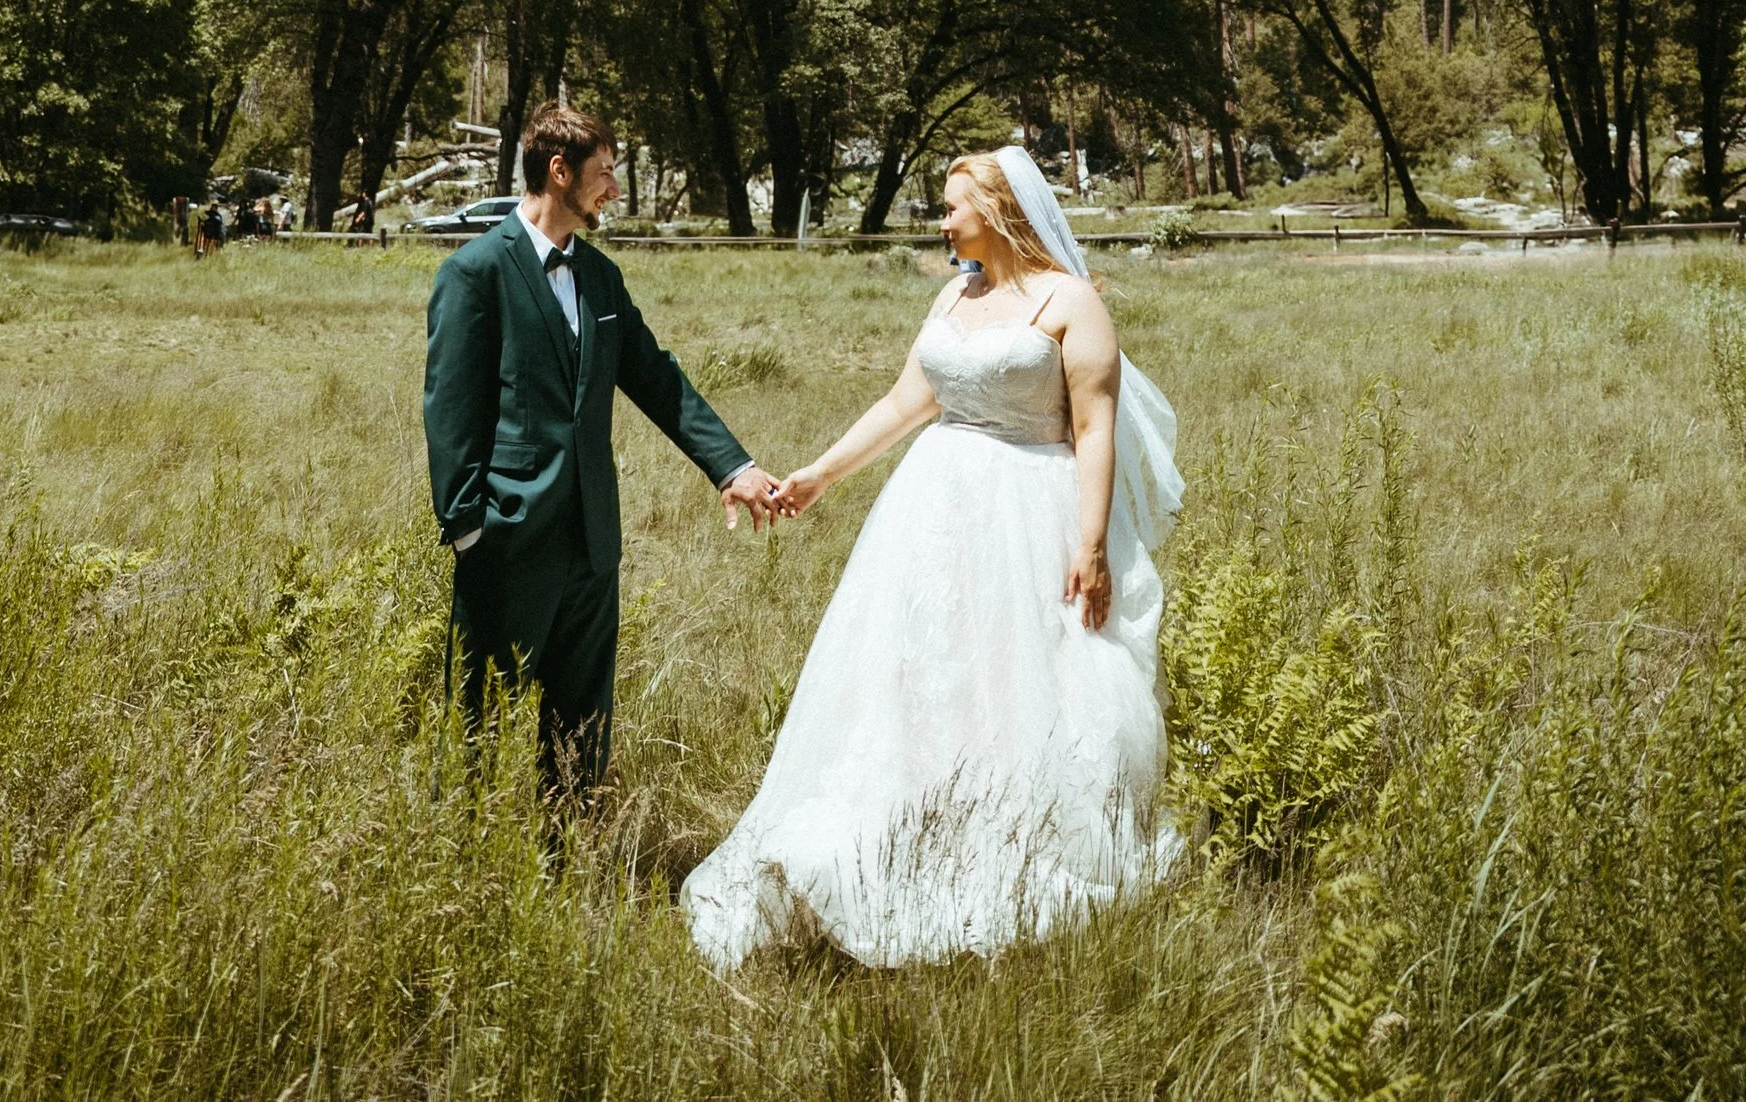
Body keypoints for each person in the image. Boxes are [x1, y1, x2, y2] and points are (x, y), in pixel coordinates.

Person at [681, 146, 1182, 968]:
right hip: (932, 511)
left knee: (1023, 677)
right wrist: (818, 477)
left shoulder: (1072, 302)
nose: (942, 222)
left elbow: (1094, 429)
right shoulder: (957, 294)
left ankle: (1019, 839)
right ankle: (908, 821)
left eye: (953, 208)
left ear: (999, 209)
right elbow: (904, 403)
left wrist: (1091, 545)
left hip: (1031, 510)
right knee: (920, 668)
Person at [423, 100, 780, 793]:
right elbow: (450, 413)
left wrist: (731, 466)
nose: (614, 189)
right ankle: (461, 866)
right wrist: (470, 530)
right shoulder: (474, 274)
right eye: (605, 173)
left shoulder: (600, 277)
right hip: (506, 542)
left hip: (592, 545)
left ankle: (566, 868)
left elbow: (655, 377)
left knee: (579, 734)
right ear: (559, 172)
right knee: (478, 726)